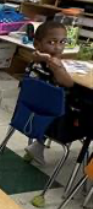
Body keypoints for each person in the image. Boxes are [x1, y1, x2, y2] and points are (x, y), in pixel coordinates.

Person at [23, 21, 76, 166]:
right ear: (37, 44)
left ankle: (38, 145)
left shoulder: (36, 59)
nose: (58, 47)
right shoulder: (51, 65)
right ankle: (38, 145)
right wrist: (58, 68)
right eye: (51, 42)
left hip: (29, 113)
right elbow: (69, 83)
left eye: (62, 42)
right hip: (53, 121)